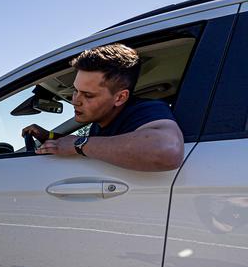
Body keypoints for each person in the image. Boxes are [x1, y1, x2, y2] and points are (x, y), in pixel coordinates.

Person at [22, 43, 184, 171]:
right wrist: (48, 136)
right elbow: (87, 144)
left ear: (120, 97)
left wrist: (78, 144)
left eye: (88, 95)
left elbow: (168, 150)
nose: (75, 101)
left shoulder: (147, 110)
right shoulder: (99, 125)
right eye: (75, 91)